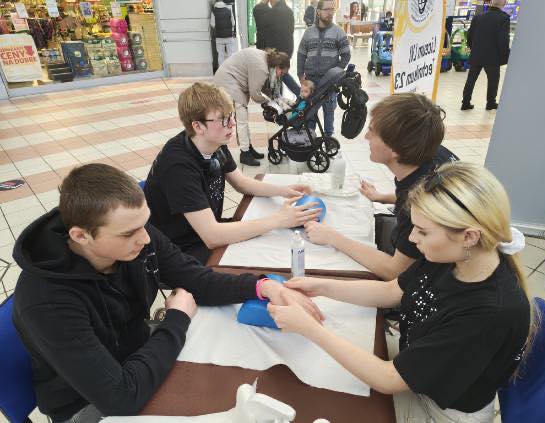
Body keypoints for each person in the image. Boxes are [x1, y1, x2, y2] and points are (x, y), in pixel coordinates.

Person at [11, 163, 322, 423]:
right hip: (85, 404)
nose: (146, 239)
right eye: (129, 233)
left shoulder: (135, 234)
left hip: (137, 354)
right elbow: (120, 398)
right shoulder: (46, 301)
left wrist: (262, 286)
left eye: (145, 224)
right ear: (81, 236)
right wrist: (175, 319)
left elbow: (196, 278)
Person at [269, 161, 535, 422]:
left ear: (469, 236)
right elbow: (391, 291)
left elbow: (388, 379)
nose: (412, 238)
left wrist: (310, 328)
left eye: (423, 232)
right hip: (415, 369)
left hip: (439, 411)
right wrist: (321, 287)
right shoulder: (454, 256)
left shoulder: (490, 312)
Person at [144, 82, 320, 265]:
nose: (233, 123)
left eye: (231, 115)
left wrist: (283, 190)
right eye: (223, 120)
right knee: (265, 255)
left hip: (204, 233)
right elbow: (212, 236)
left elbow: (241, 182)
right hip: (179, 250)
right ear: (198, 126)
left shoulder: (214, 143)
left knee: (273, 239)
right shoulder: (178, 167)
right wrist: (279, 219)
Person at [305, 94, 457, 281]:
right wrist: (382, 197)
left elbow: (395, 272)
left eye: (372, 132)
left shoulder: (419, 204)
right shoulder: (431, 152)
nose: (366, 137)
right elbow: (410, 191)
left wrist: (332, 237)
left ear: (395, 149)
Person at [213, 47, 290, 166]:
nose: (281, 76)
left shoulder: (267, 60)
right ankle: (245, 153)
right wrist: (269, 101)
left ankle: (248, 148)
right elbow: (255, 94)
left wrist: (272, 98)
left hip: (234, 80)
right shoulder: (262, 68)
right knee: (241, 120)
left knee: (243, 118)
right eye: (282, 72)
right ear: (278, 67)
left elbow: (260, 86)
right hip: (228, 82)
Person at [297, 0, 350, 137]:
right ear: (318, 11)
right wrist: (300, 74)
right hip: (311, 81)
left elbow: (346, 55)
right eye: (327, 9)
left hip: (329, 83)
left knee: (329, 112)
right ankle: (310, 138)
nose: (330, 13)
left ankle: (328, 140)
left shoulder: (339, 32)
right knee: (309, 112)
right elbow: (301, 54)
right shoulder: (308, 33)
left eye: (332, 9)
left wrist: (336, 72)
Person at [461, 0, 510, 111]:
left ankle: (465, 102)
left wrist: (474, 49)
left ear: (491, 3)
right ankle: (491, 103)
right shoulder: (504, 18)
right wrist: (504, 57)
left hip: (476, 54)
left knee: (471, 80)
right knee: (493, 80)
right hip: (492, 57)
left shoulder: (478, 17)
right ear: (504, 4)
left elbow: (470, 36)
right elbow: (503, 40)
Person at [266, 0, 301, 97]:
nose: (270, 2)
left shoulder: (273, 11)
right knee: (281, 74)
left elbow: (270, 34)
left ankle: (298, 93)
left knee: (279, 73)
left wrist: (268, 50)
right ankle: (297, 94)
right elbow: (291, 29)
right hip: (288, 47)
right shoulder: (289, 11)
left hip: (277, 49)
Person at [210, 0, 238, 66]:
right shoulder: (228, 10)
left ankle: (222, 70)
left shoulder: (214, 12)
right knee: (231, 55)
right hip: (229, 36)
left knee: (221, 56)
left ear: (215, 2)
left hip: (219, 37)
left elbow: (212, 24)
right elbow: (233, 23)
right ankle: (231, 69)